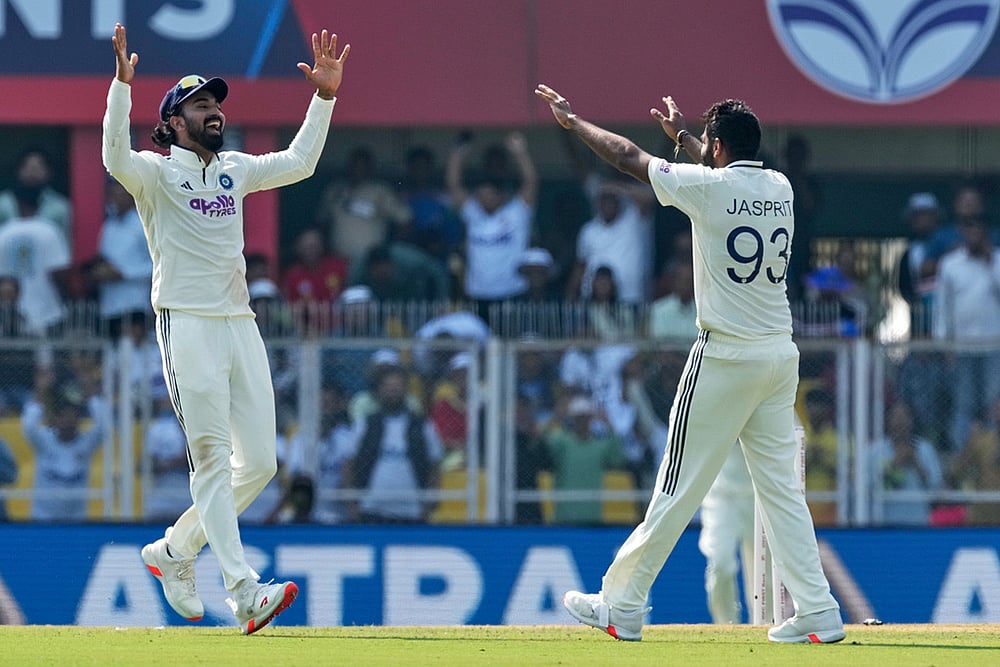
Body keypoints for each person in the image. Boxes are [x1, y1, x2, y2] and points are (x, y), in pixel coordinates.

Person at [535, 84, 843, 643]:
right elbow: (722, 168)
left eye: (707, 144)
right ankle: (818, 609)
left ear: (718, 148)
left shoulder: (709, 188)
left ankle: (622, 604)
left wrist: (575, 123)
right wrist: (682, 134)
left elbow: (629, 158)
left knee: (675, 485)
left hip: (725, 353)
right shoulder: (780, 187)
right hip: (778, 355)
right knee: (782, 494)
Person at [102, 23, 349, 634]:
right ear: (172, 123)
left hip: (240, 323)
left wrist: (325, 98)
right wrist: (121, 88)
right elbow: (112, 156)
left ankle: (175, 552)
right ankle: (243, 591)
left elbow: (298, 163)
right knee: (212, 459)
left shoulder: (235, 168)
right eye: (200, 106)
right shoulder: (156, 174)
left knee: (261, 462)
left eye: (215, 104)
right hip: (186, 323)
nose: (214, 112)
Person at [446, 132, 537, 323]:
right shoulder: (474, 214)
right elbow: (454, 186)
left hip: (512, 292)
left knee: (511, 344)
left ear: (500, 197)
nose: (483, 200)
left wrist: (520, 153)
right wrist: (458, 154)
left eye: (489, 196)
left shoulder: (516, 214)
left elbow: (531, 183)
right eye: (480, 196)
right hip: (478, 294)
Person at [933, 210, 1000, 454]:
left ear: (985, 233)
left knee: (993, 403)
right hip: (961, 348)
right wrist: (944, 344)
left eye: (978, 229)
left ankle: (992, 455)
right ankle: (963, 456)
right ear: (963, 233)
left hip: (994, 347)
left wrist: (990, 260)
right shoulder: (951, 264)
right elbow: (943, 306)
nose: (974, 234)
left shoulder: (997, 260)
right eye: (969, 229)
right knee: (964, 403)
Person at [343, 364, 443, 523]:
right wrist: (351, 503)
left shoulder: (422, 426)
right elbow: (349, 463)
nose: (393, 391)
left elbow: (434, 465)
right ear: (379, 390)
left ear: (405, 390)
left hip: (412, 512)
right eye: (388, 386)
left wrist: (429, 503)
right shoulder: (365, 425)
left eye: (398, 386)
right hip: (371, 509)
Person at [23, 368, 107, 522]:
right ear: (55, 419)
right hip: (42, 520)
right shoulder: (44, 441)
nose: (68, 420)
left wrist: (88, 387)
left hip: (76, 521)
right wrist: (41, 390)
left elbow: (103, 425)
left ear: (79, 419)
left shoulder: (86, 444)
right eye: (63, 415)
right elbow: (29, 426)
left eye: (73, 415)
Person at [317, 146, 412, 266]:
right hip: (338, 258)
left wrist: (389, 251)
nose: (358, 169)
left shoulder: (381, 191)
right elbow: (322, 222)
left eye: (363, 165)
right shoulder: (335, 190)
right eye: (355, 164)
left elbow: (405, 220)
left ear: (371, 168)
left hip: (371, 263)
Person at [0, 181, 71, 336]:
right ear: (40, 205)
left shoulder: (4, 232)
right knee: (44, 357)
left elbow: (3, 276)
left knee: (13, 357)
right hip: (47, 308)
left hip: (10, 311)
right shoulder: (49, 231)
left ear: (16, 204)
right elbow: (59, 272)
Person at [86, 177, 154, 339]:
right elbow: (103, 258)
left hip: (135, 303)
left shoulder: (143, 224)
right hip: (109, 304)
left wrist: (124, 273)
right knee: (113, 358)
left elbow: (158, 265)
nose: (117, 196)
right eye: (113, 192)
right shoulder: (109, 226)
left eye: (121, 192)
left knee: (133, 359)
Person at [698, 443, 755, 624]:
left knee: (764, 579)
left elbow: (795, 437)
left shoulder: (777, 412)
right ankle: (725, 627)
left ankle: (765, 629)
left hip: (759, 497)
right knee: (720, 564)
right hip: (720, 496)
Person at [0, 148, 72, 243]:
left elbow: (65, 244)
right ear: (18, 171)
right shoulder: (2, 203)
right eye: (27, 167)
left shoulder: (60, 207)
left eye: (38, 167)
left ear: (49, 172)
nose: (32, 172)